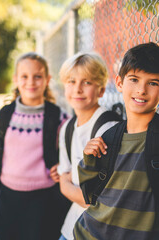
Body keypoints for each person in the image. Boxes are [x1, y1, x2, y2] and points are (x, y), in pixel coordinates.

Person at [74, 42, 159, 239]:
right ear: (119, 82)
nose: (141, 90)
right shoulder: (110, 136)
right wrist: (88, 159)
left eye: (153, 83)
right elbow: (90, 193)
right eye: (134, 79)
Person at [0, 52, 70, 240]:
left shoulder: (59, 117)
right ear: (16, 80)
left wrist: (61, 169)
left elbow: (69, 157)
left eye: (38, 76)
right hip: (8, 201)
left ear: (47, 79)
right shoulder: (3, 116)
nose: (31, 82)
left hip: (46, 202)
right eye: (25, 76)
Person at [56, 52, 119, 240]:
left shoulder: (107, 127)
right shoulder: (67, 128)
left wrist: (66, 184)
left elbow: (99, 199)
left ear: (100, 90)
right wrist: (65, 184)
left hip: (99, 232)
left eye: (87, 82)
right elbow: (62, 179)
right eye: (71, 82)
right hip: (71, 228)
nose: (78, 89)